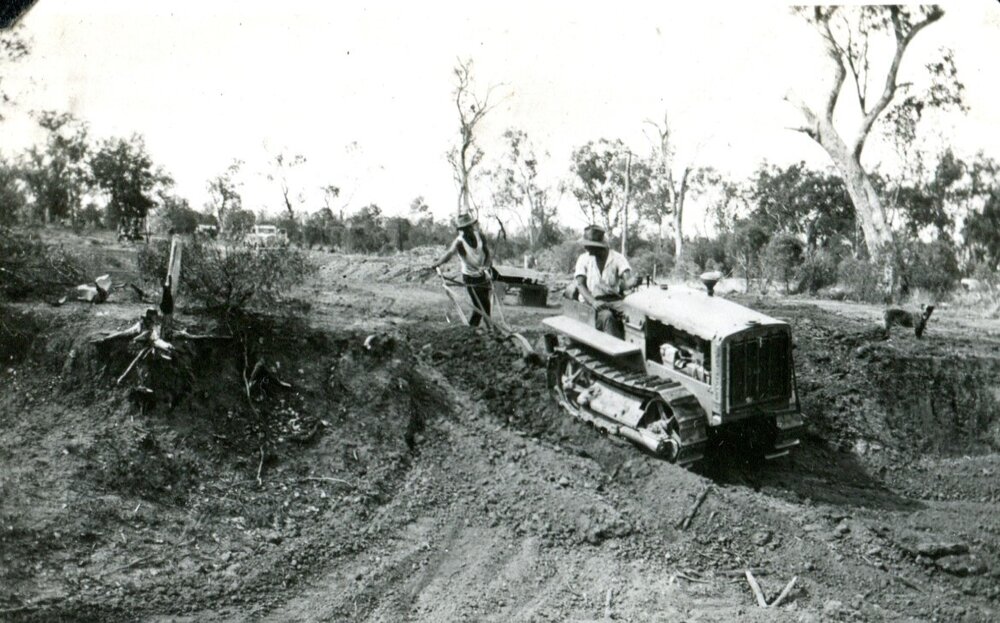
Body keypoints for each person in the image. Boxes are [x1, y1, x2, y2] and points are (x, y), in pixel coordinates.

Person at [430, 212, 495, 327]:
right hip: (470, 277)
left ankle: (473, 330)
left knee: (483, 306)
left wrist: (486, 266)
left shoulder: (480, 236)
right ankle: (489, 329)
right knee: (481, 304)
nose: (468, 230)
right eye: (465, 229)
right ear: (462, 229)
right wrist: (437, 263)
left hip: (483, 275)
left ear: (472, 226)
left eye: (469, 227)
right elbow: (449, 253)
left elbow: (488, 254)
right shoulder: (459, 242)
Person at [573, 225, 635, 339]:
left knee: (634, 315)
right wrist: (593, 302)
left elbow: (627, 280)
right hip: (591, 301)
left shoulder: (617, 258)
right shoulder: (584, 259)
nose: (586, 248)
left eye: (589, 246)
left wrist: (632, 282)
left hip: (614, 300)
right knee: (607, 316)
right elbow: (580, 284)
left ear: (599, 246)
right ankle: (615, 350)